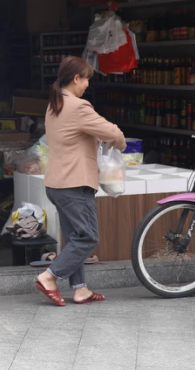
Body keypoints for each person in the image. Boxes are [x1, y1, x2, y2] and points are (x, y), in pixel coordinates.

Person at [34, 56, 126, 307]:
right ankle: (49, 277)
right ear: (76, 79)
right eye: (86, 80)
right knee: (88, 237)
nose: (87, 85)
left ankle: (80, 289)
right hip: (74, 184)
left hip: (56, 183)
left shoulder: (55, 104)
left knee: (75, 236)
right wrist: (120, 143)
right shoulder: (78, 106)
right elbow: (112, 132)